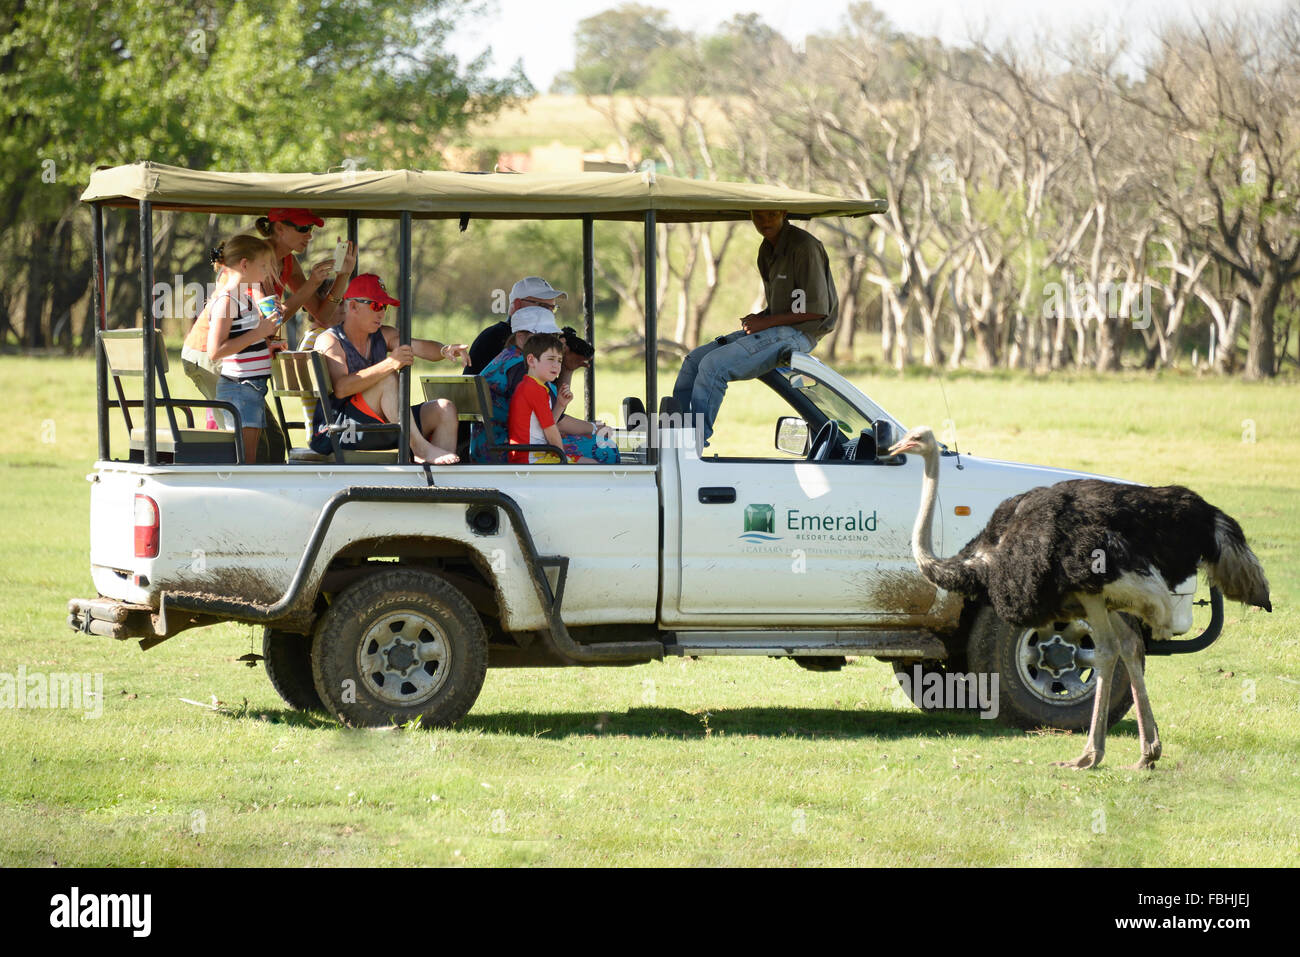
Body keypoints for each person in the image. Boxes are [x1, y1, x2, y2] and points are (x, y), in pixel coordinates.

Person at [671, 209, 838, 446]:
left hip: (801, 334)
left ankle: (692, 446)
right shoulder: (767, 249)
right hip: (778, 328)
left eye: (771, 214)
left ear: (783, 213)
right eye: (758, 216)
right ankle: (673, 438)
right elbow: (786, 306)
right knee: (694, 361)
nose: (765, 221)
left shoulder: (804, 246)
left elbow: (817, 309)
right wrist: (760, 318)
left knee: (713, 366)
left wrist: (765, 322)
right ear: (750, 216)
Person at [309, 273, 469, 465]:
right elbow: (341, 388)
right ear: (353, 306)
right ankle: (420, 449)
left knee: (445, 409)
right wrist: (390, 363)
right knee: (386, 377)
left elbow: (418, 347)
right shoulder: (330, 340)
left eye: (384, 307)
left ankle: (441, 487)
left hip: (379, 426)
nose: (381, 313)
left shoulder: (383, 334)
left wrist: (445, 350)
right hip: (339, 431)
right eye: (376, 305)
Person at [468, 306, 617, 464]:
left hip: (491, 448)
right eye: (544, 336)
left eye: (553, 335)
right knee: (605, 449)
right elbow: (553, 425)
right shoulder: (522, 369)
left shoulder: (510, 358)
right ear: (521, 336)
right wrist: (593, 429)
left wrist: (566, 369)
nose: (553, 341)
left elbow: (549, 416)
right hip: (508, 451)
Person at [205, 233, 281, 464]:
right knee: (245, 460)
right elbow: (215, 350)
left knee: (252, 456)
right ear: (245, 264)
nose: (268, 271)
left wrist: (266, 343)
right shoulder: (227, 300)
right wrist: (258, 332)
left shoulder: (244, 299)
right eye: (264, 266)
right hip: (240, 390)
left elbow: (242, 341)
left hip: (252, 388)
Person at [507, 333, 596, 464]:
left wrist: (560, 404)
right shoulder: (534, 390)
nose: (556, 365)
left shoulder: (531, 386)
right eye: (550, 359)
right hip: (531, 460)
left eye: (559, 360)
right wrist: (562, 459)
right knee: (592, 465)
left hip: (531, 456)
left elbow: (547, 425)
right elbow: (550, 431)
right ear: (531, 360)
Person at [464, 276, 567, 376]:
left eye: (553, 308)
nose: (550, 313)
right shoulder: (496, 338)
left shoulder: (496, 334)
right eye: (543, 306)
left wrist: (566, 366)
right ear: (517, 304)